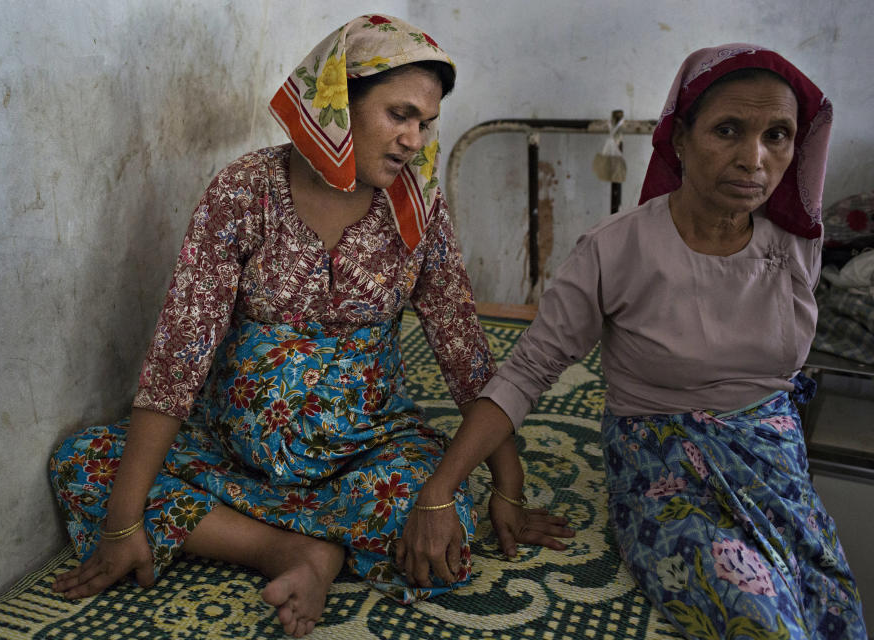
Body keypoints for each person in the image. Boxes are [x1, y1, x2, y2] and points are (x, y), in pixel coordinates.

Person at [48, 14, 572, 638]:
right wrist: (122, 523)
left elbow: (462, 347)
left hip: (367, 451)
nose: (414, 140)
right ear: (337, 104)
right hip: (231, 452)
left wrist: (505, 484)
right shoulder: (245, 192)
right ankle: (294, 551)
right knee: (84, 465)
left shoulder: (416, 207)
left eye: (426, 123)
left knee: (441, 528)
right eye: (398, 114)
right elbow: (178, 354)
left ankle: (276, 539)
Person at [398, 44, 868, 639]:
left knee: (834, 609)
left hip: (768, 450)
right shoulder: (616, 250)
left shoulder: (795, 244)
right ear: (680, 138)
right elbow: (526, 373)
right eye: (728, 130)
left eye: (778, 135)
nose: (755, 158)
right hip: (660, 454)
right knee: (763, 621)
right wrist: (442, 488)